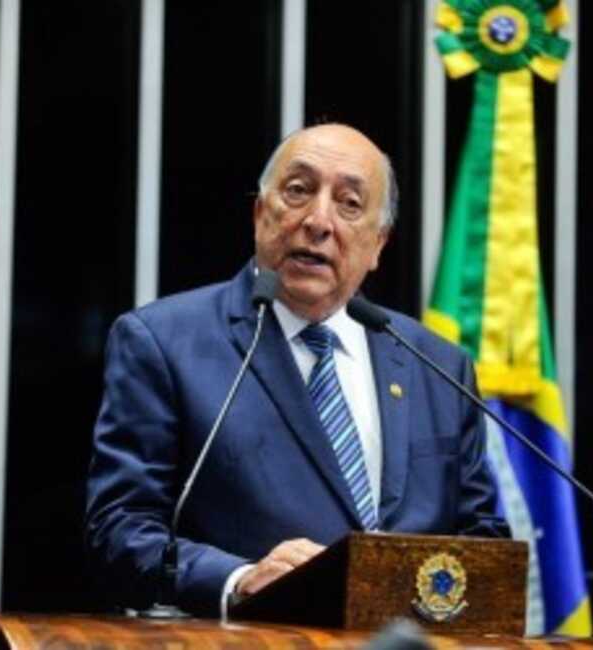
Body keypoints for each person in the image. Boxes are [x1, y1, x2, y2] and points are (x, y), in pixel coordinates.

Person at [85, 123, 509, 617]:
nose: (318, 221)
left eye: (349, 203)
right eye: (298, 191)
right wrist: (239, 580)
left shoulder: (436, 365)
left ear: (378, 244)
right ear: (259, 214)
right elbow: (120, 528)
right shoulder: (163, 342)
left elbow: (483, 544)